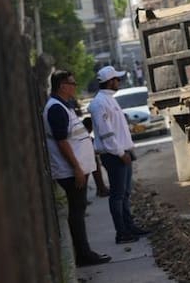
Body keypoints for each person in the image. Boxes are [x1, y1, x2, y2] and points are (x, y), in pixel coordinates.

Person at [44, 70, 111, 267]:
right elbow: (62, 142)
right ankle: (83, 255)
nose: (75, 86)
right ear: (62, 86)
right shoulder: (56, 108)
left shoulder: (63, 105)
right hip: (70, 172)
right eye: (72, 83)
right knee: (76, 213)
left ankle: (84, 252)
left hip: (75, 169)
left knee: (78, 211)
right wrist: (77, 168)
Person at [89, 65, 150, 244]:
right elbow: (106, 132)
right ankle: (121, 232)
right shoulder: (99, 103)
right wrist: (119, 152)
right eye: (117, 79)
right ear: (109, 81)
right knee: (117, 195)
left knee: (124, 193)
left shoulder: (109, 99)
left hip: (123, 152)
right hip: (115, 154)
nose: (119, 82)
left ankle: (129, 227)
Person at [82, 116, 110, 198]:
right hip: (83, 159)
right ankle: (100, 189)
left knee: (95, 164)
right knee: (87, 173)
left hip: (85, 157)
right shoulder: (84, 133)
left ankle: (101, 188)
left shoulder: (85, 133)